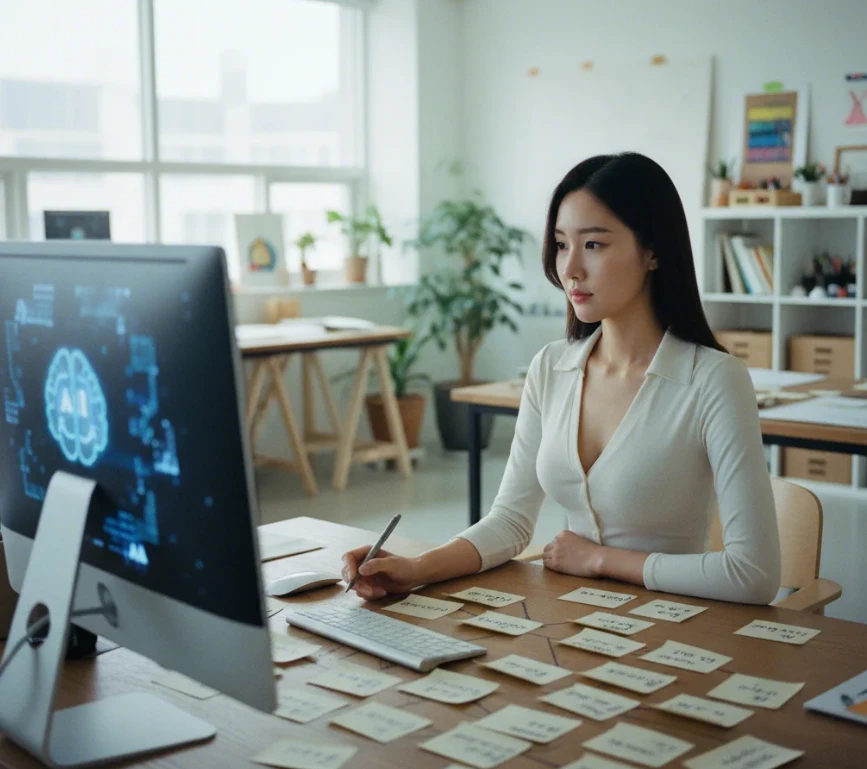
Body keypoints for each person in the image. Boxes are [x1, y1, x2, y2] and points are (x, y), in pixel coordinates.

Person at [342, 152, 781, 605]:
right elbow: (511, 521)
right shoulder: (551, 367)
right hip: (570, 620)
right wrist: (415, 569)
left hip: (679, 624)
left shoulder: (714, 380)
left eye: (593, 244)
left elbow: (753, 574)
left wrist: (599, 559)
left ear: (652, 251)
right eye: (561, 243)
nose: (569, 268)